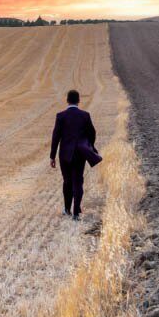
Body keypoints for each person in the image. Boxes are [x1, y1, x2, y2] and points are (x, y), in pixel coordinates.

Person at [50, 89, 100, 220]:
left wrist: (52, 156)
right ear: (79, 100)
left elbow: (56, 137)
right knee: (78, 181)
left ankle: (67, 209)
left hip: (65, 155)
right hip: (80, 153)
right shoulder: (85, 115)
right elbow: (92, 133)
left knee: (67, 181)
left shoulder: (60, 116)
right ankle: (76, 212)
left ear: (67, 100)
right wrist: (89, 146)